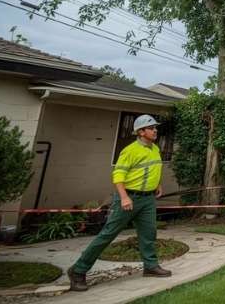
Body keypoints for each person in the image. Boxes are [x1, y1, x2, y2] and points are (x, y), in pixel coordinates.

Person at [68, 114, 172, 291]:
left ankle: (150, 266)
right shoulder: (129, 151)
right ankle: (78, 270)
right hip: (129, 198)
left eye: (155, 127)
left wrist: (157, 184)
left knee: (148, 234)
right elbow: (118, 175)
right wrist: (124, 197)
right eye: (151, 128)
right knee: (108, 234)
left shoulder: (155, 148)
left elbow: (152, 169)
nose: (155, 130)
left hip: (147, 199)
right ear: (141, 132)